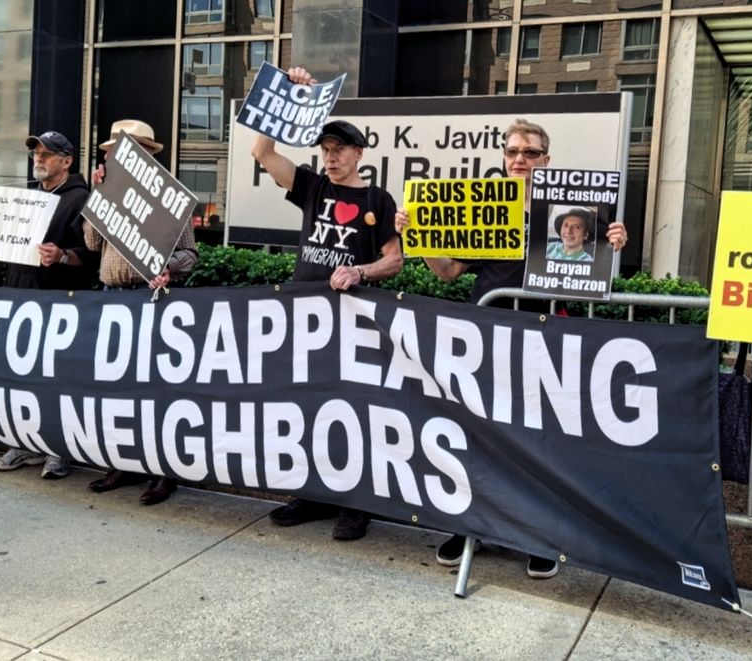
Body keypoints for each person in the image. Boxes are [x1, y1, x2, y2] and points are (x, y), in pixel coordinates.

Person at [395, 118, 628, 578]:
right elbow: (447, 271)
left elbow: (592, 272)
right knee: (479, 438)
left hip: (546, 343)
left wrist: (613, 243)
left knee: (541, 444)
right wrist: (416, 236)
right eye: (512, 151)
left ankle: (538, 536)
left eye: (530, 152)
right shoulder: (485, 207)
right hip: (487, 340)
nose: (519, 159)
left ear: (547, 160)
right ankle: (471, 527)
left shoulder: (573, 210)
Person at [250, 66, 403, 541]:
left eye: (340, 150)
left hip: (354, 323)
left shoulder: (378, 197)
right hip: (305, 320)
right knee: (308, 407)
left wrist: (359, 271)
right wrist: (288, 96)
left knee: (355, 410)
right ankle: (313, 494)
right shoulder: (312, 187)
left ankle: (357, 503)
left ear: (359, 153)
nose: (332, 157)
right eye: (326, 150)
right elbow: (262, 151)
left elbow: (394, 261)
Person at [0, 130, 96, 478]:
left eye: (47, 154)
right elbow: (11, 250)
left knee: (57, 380)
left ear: (67, 161)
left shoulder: (82, 199)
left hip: (60, 304)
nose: (38, 158)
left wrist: (63, 255)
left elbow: (94, 255)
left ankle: (59, 451)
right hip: (21, 299)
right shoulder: (27, 199)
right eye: (35, 153)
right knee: (23, 378)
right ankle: (25, 444)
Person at [84, 119, 198, 506]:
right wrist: (97, 197)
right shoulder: (107, 191)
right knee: (118, 390)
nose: (115, 157)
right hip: (112, 297)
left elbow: (191, 254)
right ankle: (124, 462)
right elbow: (91, 241)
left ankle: (163, 473)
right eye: (113, 152)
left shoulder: (167, 201)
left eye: (124, 151)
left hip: (151, 301)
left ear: (146, 156)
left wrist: (170, 268)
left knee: (156, 391)